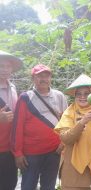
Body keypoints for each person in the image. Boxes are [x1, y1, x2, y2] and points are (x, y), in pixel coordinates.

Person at [11, 64, 68, 190]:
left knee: (49, 186)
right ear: (33, 79)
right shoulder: (25, 98)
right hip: (31, 155)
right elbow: (17, 127)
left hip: (54, 152)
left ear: (50, 78)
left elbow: (66, 122)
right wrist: (18, 153)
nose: (43, 79)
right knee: (28, 186)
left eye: (46, 75)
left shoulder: (59, 96)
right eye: (39, 76)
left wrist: (63, 143)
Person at [55, 74, 91, 190]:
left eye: (86, 93)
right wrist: (82, 122)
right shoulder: (69, 113)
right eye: (79, 94)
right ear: (74, 95)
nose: (82, 97)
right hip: (72, 169)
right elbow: (66, 139)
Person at [0, 50, 22, 190]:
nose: (4, 70)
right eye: (1, 66)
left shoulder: (13, 87)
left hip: (9, 148)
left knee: (9, 184)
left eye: (8, 66)